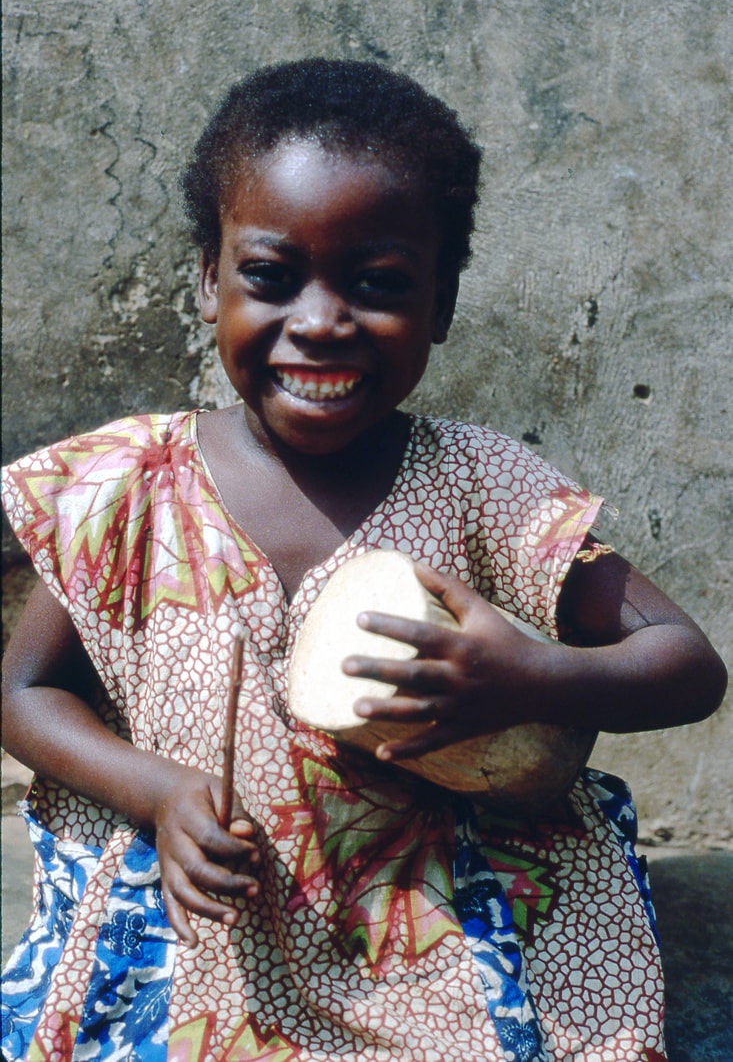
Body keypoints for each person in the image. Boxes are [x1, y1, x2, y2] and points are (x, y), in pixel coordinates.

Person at [1, 58, 726, 1062]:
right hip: (206, 898)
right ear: (209, 278)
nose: (321, 320)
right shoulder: (132, 483)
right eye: (269, 275)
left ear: (441, 302)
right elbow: (27, 690)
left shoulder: (478, 478)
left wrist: (528, 672)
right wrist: (155, 790)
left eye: (378, 284)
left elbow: (686, 662)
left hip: (424, 903)